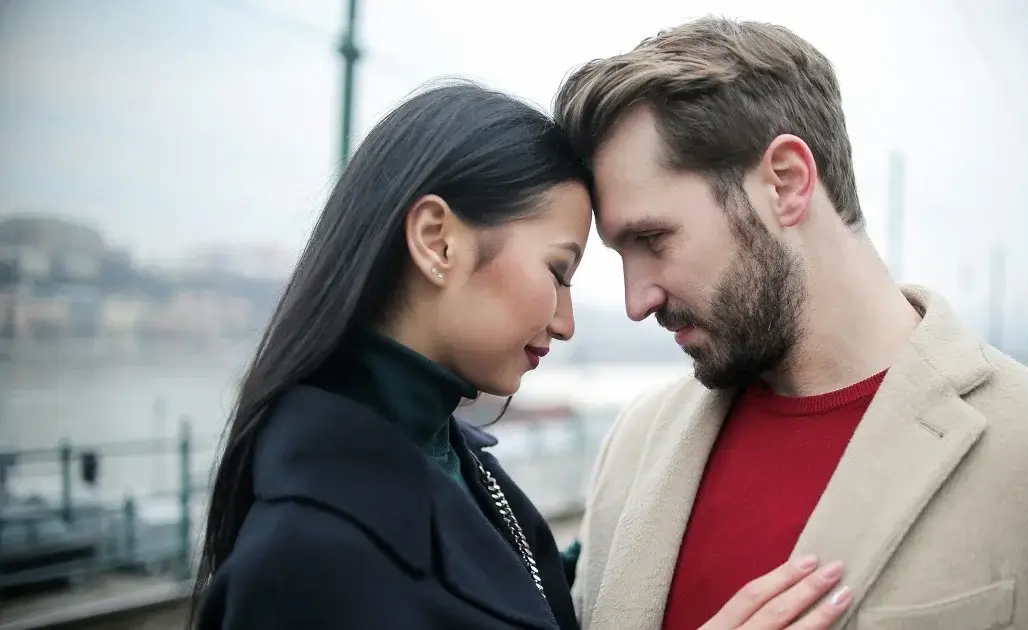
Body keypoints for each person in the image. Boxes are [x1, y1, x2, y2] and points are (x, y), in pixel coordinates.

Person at [553, 17, 1028, 630]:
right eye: (620, 255)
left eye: (653, 239)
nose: (637, 300)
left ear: (785, 183)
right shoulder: (633, 446)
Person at [188, 80, 852, 629]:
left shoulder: (447, 459)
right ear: (437, 242)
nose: (565, 322)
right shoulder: (301, 559)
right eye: (559, 271)